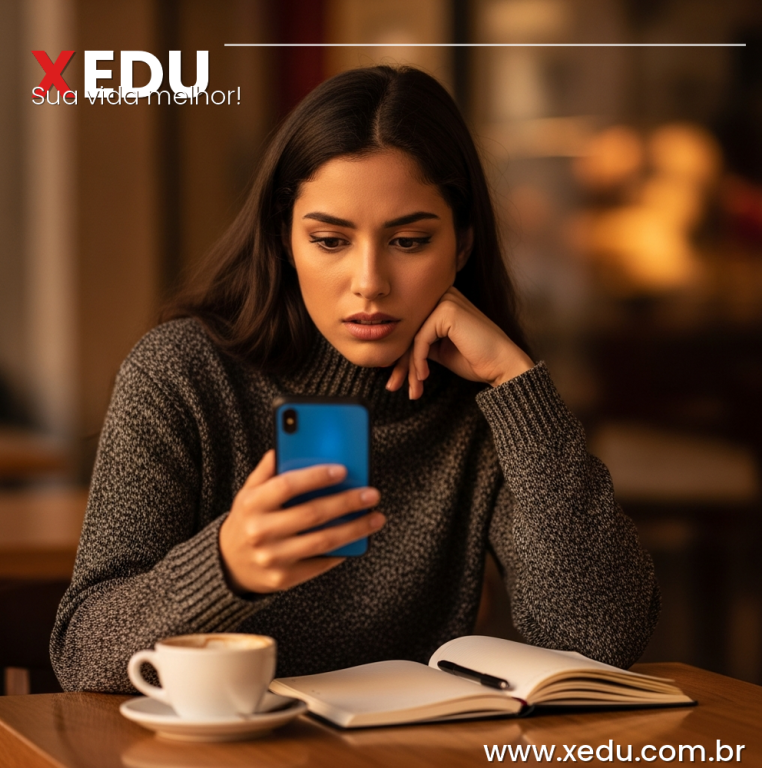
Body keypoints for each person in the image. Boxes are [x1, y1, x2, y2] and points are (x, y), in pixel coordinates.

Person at [51, 65, 659, 693]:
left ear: (463, 243)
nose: (369, 282)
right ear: (287, 241)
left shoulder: (490, 403)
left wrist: (517, 385)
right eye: (331, 240)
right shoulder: (180, 375)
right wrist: (226, 567)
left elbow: (597, 638)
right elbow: (81, 653)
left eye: (410, 241)